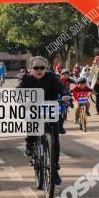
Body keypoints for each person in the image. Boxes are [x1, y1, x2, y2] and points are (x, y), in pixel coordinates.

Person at [17, 56, 71, 184]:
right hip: (34, 108)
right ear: (31, 69)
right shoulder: (26, 79)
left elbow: (61, 88)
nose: (39, 70)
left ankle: (54, 169)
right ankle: (29, 145)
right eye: (36, 67)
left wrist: (64, 95)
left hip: (50, 108)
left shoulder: (52, 77)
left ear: (46, 68)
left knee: (55, 141)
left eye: (42, 67)